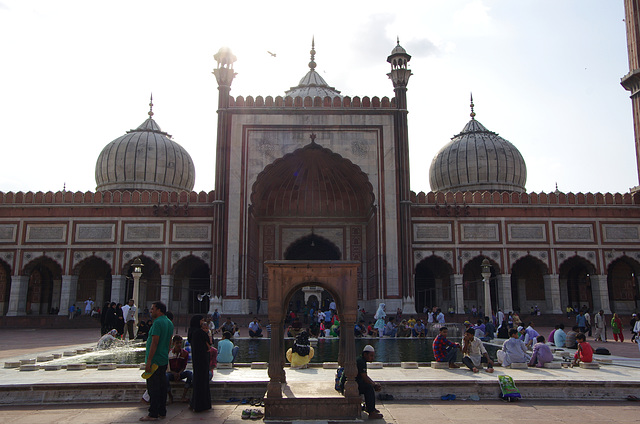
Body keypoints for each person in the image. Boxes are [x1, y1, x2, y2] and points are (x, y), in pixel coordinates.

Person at [141, 301, 174, 422]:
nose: (150, 311)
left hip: (154, 360)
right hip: (163, 359)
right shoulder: (169, 322)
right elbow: (170, 341)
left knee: (153, 388)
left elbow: (154, 343)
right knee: (161, 387)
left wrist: (148, 362)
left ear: (159, 310)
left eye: (152, 309)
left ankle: (153, 413)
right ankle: (162, 411)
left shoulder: (157, 323)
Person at [187, 315, 211, 413]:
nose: (202, 322)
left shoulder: (192, 331)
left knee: (197, 381)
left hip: (196, 359)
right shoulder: (200, 332)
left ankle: (195, 403)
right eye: (201, 320)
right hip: (202, 359)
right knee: (202, 381)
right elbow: (209, 343)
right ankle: (202, 405)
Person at [357, 345, 383, 420]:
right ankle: (371, 412)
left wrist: (373, 383)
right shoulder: (361, 362)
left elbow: (365, 376)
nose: (373, 358)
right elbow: (364, 377)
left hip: (356, 383)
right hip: (351, 385)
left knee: (369, 386)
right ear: (365, 354)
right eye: (371, 356)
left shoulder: (362, 360)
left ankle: (370, 408)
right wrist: (374, 385)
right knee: (369, 388)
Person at [166, 335, 192, 404]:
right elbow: (167, 367)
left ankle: (183, 395)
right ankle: (170, 396)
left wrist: (179, 373)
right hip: (171, 373)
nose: (179, 345)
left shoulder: (185, 353)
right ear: (173, 343)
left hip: (180, 373)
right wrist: (173, 373)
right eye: (177, 343)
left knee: (190, 374)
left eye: (180, 343)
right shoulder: (169, 353)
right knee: (165, 376)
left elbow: (184, 366)